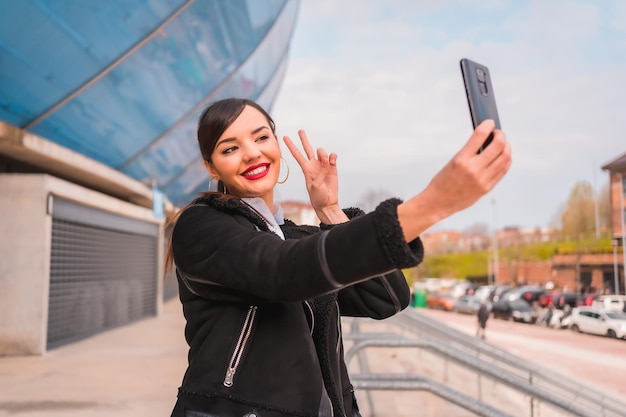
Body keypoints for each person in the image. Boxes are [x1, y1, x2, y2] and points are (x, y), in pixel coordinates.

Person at [165, 97, 511, 417]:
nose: (252, 153)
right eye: (230, 148)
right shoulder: (200, 227)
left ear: (276, 142)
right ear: (212, 167)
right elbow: (284, 271)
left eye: (261, 137)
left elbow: (386, 297)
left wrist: (330, 211)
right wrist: (432, 203)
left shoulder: (293, 238)